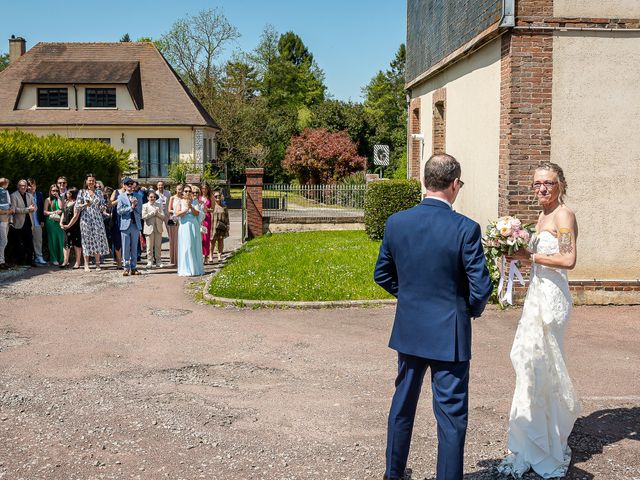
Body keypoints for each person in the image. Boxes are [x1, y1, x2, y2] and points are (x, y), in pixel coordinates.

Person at [374, 153, 493, 480]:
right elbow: (481, 287)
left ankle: (393, 473)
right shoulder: (466, 228)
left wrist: (409, 296)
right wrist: (466, 309)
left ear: (425, 181)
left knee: (402, 404)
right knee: (451, 416)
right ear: (455, 184)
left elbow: (382, 274)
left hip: (410, 329)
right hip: (449, 334)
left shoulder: (397, 222)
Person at [497, 162, 580, 479]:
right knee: (529, 360)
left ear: (560, 185)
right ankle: (531, 432)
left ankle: (547, 439)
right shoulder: (542, 216)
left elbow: (568, 259)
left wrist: (529, 257)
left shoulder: (563, 215)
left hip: (553, 298)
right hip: (536, 294)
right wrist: (510, 247)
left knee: (542, 361)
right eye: (537, 184)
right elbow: (535, 255)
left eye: (548, 183)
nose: (542, 188)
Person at [77, 173, 110, 271]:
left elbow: (103, 206)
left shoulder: (99, 192)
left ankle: (98, 264)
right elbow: (77, 206)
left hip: (97, 219)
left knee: (97, 240)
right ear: (86, 181)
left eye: (93, 180)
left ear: (95, 182)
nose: (91, 182)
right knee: (86, 241)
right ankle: (86, 264)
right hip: (85, 219)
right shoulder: (82, 192)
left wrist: (103, 207)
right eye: (89, 180)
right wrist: (84, 205)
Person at [176, 185, 204, 276]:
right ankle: (186, 269)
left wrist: (191, 207)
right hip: (184, 226)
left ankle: (195, 269)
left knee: (194, 246)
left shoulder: (195, 202)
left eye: (189, 191)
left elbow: (197, 214)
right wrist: (185, 210)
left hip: (194, 226)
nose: (188, 193)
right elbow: (177, 213)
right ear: (183, 192)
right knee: (187, 246)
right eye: (186, 191)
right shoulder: (179, 201)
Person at [117, 177, 143, 276]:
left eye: (131, 184)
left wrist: (135, 206)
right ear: (124, 186)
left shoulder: (138, 196)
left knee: (134, 247)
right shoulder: (121, 197)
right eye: (128, 184)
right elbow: (119, 211)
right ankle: (126, 267)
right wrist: (130, 207)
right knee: (125, 247)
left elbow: (140, 211)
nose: (130, 186)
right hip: (125, 225)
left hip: (135, 224)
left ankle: (134, 267)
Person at [9, 179, 36, 266]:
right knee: (18, 245)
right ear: (18, 186)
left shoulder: (29, 195)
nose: (23, 187)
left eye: (24, 185)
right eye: (21, 185)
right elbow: (14, 209)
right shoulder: (13, 195)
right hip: (18, 223)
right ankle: (20, 262)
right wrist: (27, 210)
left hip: (28, 223)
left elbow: (35, 207)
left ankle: (30, 261)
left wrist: (33, 208)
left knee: (29, 244)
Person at [59, 188, 82, 269]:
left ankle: (77, 262)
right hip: (66, 226)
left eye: (68, 193)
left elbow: (76, 216)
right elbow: (63, 213)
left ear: (72, 194)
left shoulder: (76, 203)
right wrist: (61, 222)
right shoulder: (66, 202)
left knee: (76, 244)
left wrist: (69, 225)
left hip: (75, 226)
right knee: (66, 243)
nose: (66, 194)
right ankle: (65, 261)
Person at [43, 183, 65, 266]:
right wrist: (53, 212)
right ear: (50, 191)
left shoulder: (60, 198)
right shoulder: (47, 200)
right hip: (51, 222)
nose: (55, 192)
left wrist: (58, 197)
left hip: (59, 222)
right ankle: (54, 258)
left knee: (61, 239)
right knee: (52, 240)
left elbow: (61, 207)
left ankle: (62, 258)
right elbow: (44, 212)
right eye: (53, 190)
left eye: (56, 190)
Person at [141, 190, 165, 268]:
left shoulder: (159, 205)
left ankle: (158, 261)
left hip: (158, 228)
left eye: (154, 197)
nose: (152, 198)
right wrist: (153, 213)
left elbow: (163, 217)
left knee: (158, 246)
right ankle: (149, 261)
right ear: (148, 198)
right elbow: (143, 216)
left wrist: (157, 213)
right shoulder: (145, 206)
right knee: (149, 247)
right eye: (151, 197)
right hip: (149, 228)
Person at [27, 178, 47, 265]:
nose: (31, 187)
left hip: (37, 221)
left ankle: (39, 257)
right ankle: (30, 258)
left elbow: (42, 207)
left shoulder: (39, 194)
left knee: (38, 240)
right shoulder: (25, 195)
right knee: (28, 241)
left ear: (35, 186)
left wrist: (42, 220)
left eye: (33, 185)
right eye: (30, 185)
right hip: (28, 222)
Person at [109, 182, 125, 268]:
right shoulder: (116, 192)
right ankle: (119, 262)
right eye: (126, 183)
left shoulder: (130, 193)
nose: (127, 185)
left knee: (126, 241)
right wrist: (120, 199)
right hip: (117, 218)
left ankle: (125, 261)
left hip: (126, 218)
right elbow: (110, 203)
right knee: (117, 240)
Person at [211, 189, 230, 262]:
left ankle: (219, 255)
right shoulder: (212, 206)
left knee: (221, 240)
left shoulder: (224, 207)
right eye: (216, 196)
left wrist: (228, 225)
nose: (218, 197)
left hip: (222, 226)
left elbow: (227, 217)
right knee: (212, 240)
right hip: (213, 225)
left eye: (219, 196)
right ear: (213, 197)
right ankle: (211, 255)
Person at [167, 183, 184, 266]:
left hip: (182, 219)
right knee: (173, 239)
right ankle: (173, 259)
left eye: (181, 189)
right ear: (176, 189)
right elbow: (169, 210)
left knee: (180, 239)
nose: (180, 191)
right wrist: (176, 212)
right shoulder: (172, 198)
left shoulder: (184, 198)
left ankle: (180, 258)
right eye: (178, 189)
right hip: (173, 219)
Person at [0, 178, 14, 269]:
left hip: (6, 219)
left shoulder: (5, 192)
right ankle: (1, 261)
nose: (8, 185)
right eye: (7, 183)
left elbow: (8, 204)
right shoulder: (2, 192)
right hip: (2, 219)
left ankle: (2, 260)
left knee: (4, 241)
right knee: (3, 240)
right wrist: (7, 212)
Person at [199, 183, 213, 263]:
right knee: (199, 237)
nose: (204, 190)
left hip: (206, 218)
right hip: (199, 218)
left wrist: (207, 209)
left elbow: (213, 209)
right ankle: (200, 254)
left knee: (205, 237)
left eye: (206, 188)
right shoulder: (199, 197)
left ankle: (206, 255)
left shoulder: (210, 198)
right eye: (203, 188)